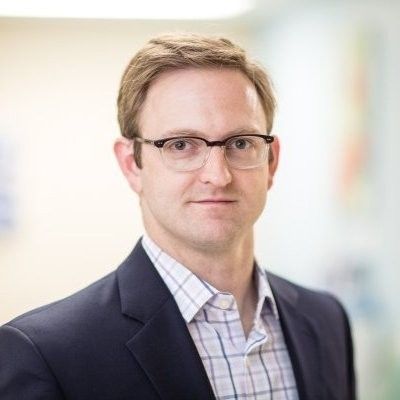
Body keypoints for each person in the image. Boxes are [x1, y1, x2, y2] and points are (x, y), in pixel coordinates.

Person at [0, 33, 356, 400]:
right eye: (181, 145)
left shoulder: (326, 320)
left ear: (271, 161)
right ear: (131, 164)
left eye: (240, 143)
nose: (218, 176)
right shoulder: (45, 355)